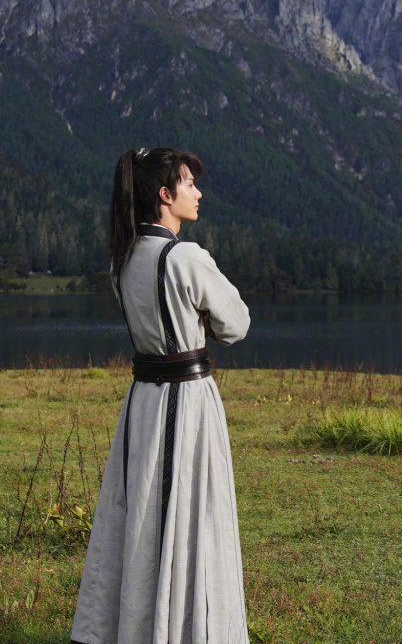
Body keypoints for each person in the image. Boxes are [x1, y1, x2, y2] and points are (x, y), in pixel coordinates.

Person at [71, 148, 251, 644]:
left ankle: (135, 627)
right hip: (188, 402)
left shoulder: (122, 263)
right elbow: (237, 324)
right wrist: (205, 325)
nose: (198, 192)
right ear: (165, 196)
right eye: (188, 183)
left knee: (141, 516)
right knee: (195, 517)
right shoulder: (186, 258)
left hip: (142, 404)